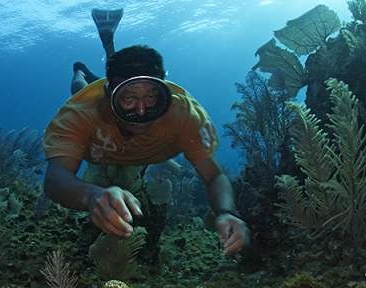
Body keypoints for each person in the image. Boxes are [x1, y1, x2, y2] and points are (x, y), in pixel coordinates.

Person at [43, 8, 249, 260]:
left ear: (165, 91)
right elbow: (55, 179)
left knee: (126, 91)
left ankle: (114, 67)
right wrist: (91, 195)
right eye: (128, 98)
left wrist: (226, 211)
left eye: (152, 96)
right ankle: (81, 71)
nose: (141, 110)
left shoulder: (185, 114)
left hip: (144, 146)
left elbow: (214, 175)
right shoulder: (80, 113)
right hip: (99, 112)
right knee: (79, 89)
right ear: (110, 95)